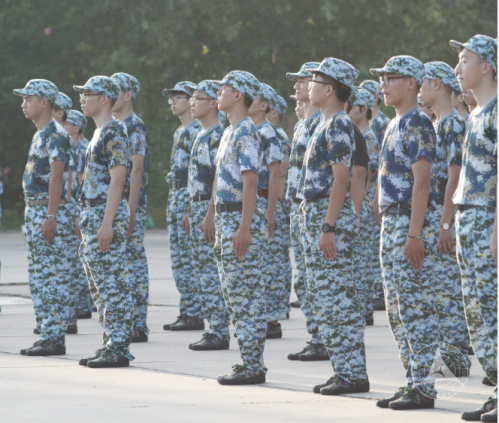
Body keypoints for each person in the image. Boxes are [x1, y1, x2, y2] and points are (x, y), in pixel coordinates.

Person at [370, 56, 439, 410]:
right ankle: (412, 379)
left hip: (408, 222)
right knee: (396, 308)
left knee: (415, 307)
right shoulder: (393, 123)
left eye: (391, 78)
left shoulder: (418, 123)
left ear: (412, 82)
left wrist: (414, 234)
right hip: (392, 222)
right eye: (381, 79)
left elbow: (422, 181)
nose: (383, 84)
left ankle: (424, 386)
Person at [297, 58, 369, 396]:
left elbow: (342, 179)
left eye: (314, 81)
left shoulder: (339, 124)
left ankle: (353, 374)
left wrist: (329, 226)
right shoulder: (323, 123)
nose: (308, 86)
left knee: (338, 299)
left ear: (329, 90)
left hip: (328, 217)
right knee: (325, 300)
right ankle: (344, 370)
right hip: (316, 215)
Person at [205, 70, 268, 385]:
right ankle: (248, 361)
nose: (218, 93)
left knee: (246, 295)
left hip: (239, 219)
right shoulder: (229, 131)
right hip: (225, 217)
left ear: (239, 95)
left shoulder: (246, 132)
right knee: (234, 294)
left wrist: (244, 227)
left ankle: (253, 365)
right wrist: (210, 215)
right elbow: (221, 179)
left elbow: (250, 182)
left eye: (224, 88)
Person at [450, 34, 497, 423]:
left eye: (465, 59)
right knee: (478, 313)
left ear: (487, 67)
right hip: (468, 218)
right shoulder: (477, 113)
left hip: (487, 220)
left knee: (493, 309)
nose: (457, 67)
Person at [73, 76, 134, 368]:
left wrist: (107, 222)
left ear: (105, 99)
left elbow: (118, 179)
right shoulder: (99, 132)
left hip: (105, 213)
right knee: (99, 285)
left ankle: (118, 348)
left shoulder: (114, 132)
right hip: (93, 213)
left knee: (112, 283)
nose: (82, 98)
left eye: (88, 94)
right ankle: (109, 343)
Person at [419, 61, 470, 377]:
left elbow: (455, 176)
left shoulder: (452, 125)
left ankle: (456, 359)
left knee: (447, 292)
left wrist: (445, 224)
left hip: (443, 216)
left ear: (437, 84)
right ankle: (447, 356)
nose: (419, 89)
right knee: (436, 292)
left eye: (422, 83)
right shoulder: (437, 124)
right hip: (434, 217)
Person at [14, 79, 72, 356]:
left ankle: (54, 338)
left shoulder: (55, 133)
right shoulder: (41, 133)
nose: (23, 104)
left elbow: (57, 177)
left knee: (51, 276)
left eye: (29, 99)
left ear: (44, 102)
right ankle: (46, 332)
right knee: (39, 276)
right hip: (34, 208)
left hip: (46, 209)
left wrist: (51, 215)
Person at [284, 62, 328, 361]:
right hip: (297, 206)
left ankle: (325, 338)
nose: (298, 85)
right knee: (303, 279)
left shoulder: (320, 123)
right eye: (297, 81)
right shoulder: (302, 124)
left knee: (317, 277)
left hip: (314, 207)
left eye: (304, 80)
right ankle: (317, 335)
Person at [183, 80, 230, 351]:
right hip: (198, 207)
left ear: (213, 103)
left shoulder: (217, 136)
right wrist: (191, 211)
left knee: (211, 272)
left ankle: (219, 331)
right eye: (191, 98)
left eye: (198, 98)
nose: (192, 103)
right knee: (202, 271)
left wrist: (209, 214)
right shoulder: (201, 134)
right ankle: (213, 327)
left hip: (209, 208)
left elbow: (216, 180)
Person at [111, 72, 151, 343]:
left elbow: (137, 170)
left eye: (116, 90)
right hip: (116, 204)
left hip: (129, 203)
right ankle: (126, 320)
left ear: (128, 95)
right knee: (121, 263)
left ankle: (138, 323)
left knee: (133, 261)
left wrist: (132, 210)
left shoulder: (134, 126)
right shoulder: (115, 125)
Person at [162, 81, 204, 331]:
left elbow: (197, 175)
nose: (172, 102)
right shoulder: (180, 131)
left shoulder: (197, 130)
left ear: (191, 101)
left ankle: (195, 313)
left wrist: (190, 209)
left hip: (187, 197)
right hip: (175, 194)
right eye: (171, 97)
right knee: (178, 258)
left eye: (178, 97)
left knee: (189, 258)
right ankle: (186, 309)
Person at [249, 83, 283, 338]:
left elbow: (275, 173)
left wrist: (270, 210)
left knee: (266, 264)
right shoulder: (248, 129)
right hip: (251, 202)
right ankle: (258, 318)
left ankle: (271, 321)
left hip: (262, 201)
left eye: (255, 98)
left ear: (264, 106)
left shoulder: (267, 131)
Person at [347, 87, 378, 326]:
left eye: (353, 107)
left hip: (363, 202)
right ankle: (363, 307)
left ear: (364, 109)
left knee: (360, 259)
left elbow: (367, 174)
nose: (348, 111)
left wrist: (360, 203)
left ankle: (364, 308)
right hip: (359, 201)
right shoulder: (356, 133)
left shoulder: (368, 136)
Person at [359, 79, 390, 312]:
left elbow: (378, 163)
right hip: (367, 188)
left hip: (373, 188)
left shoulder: (381, 124)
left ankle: (377, 292)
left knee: (372, 244)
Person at [53, 92, 81, 336]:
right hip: (63, 205)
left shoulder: (61, 138)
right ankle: (64, 318)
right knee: (62, 265)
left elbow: (73, 179)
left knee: (66, 264)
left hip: (67, 207)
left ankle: (67, 318)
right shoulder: (56, 137)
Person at [63, 110, 93, 319]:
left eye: (67, 124)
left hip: (80, 205)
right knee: (73, 255)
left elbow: (85, 182)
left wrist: (82, 210)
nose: (63, 126)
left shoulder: (84, 148)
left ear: (76, 128)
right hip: (70, 204)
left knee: (80, 254)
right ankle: (80, 302)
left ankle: (84, 303)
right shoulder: (69, 147)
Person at [267, 94, 292, 319]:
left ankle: (276, 312)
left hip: (276, 203)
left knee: (276, 259)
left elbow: (281, 173)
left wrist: (274, 206)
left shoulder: (277, 136)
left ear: (273, 113)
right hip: (273, 203)